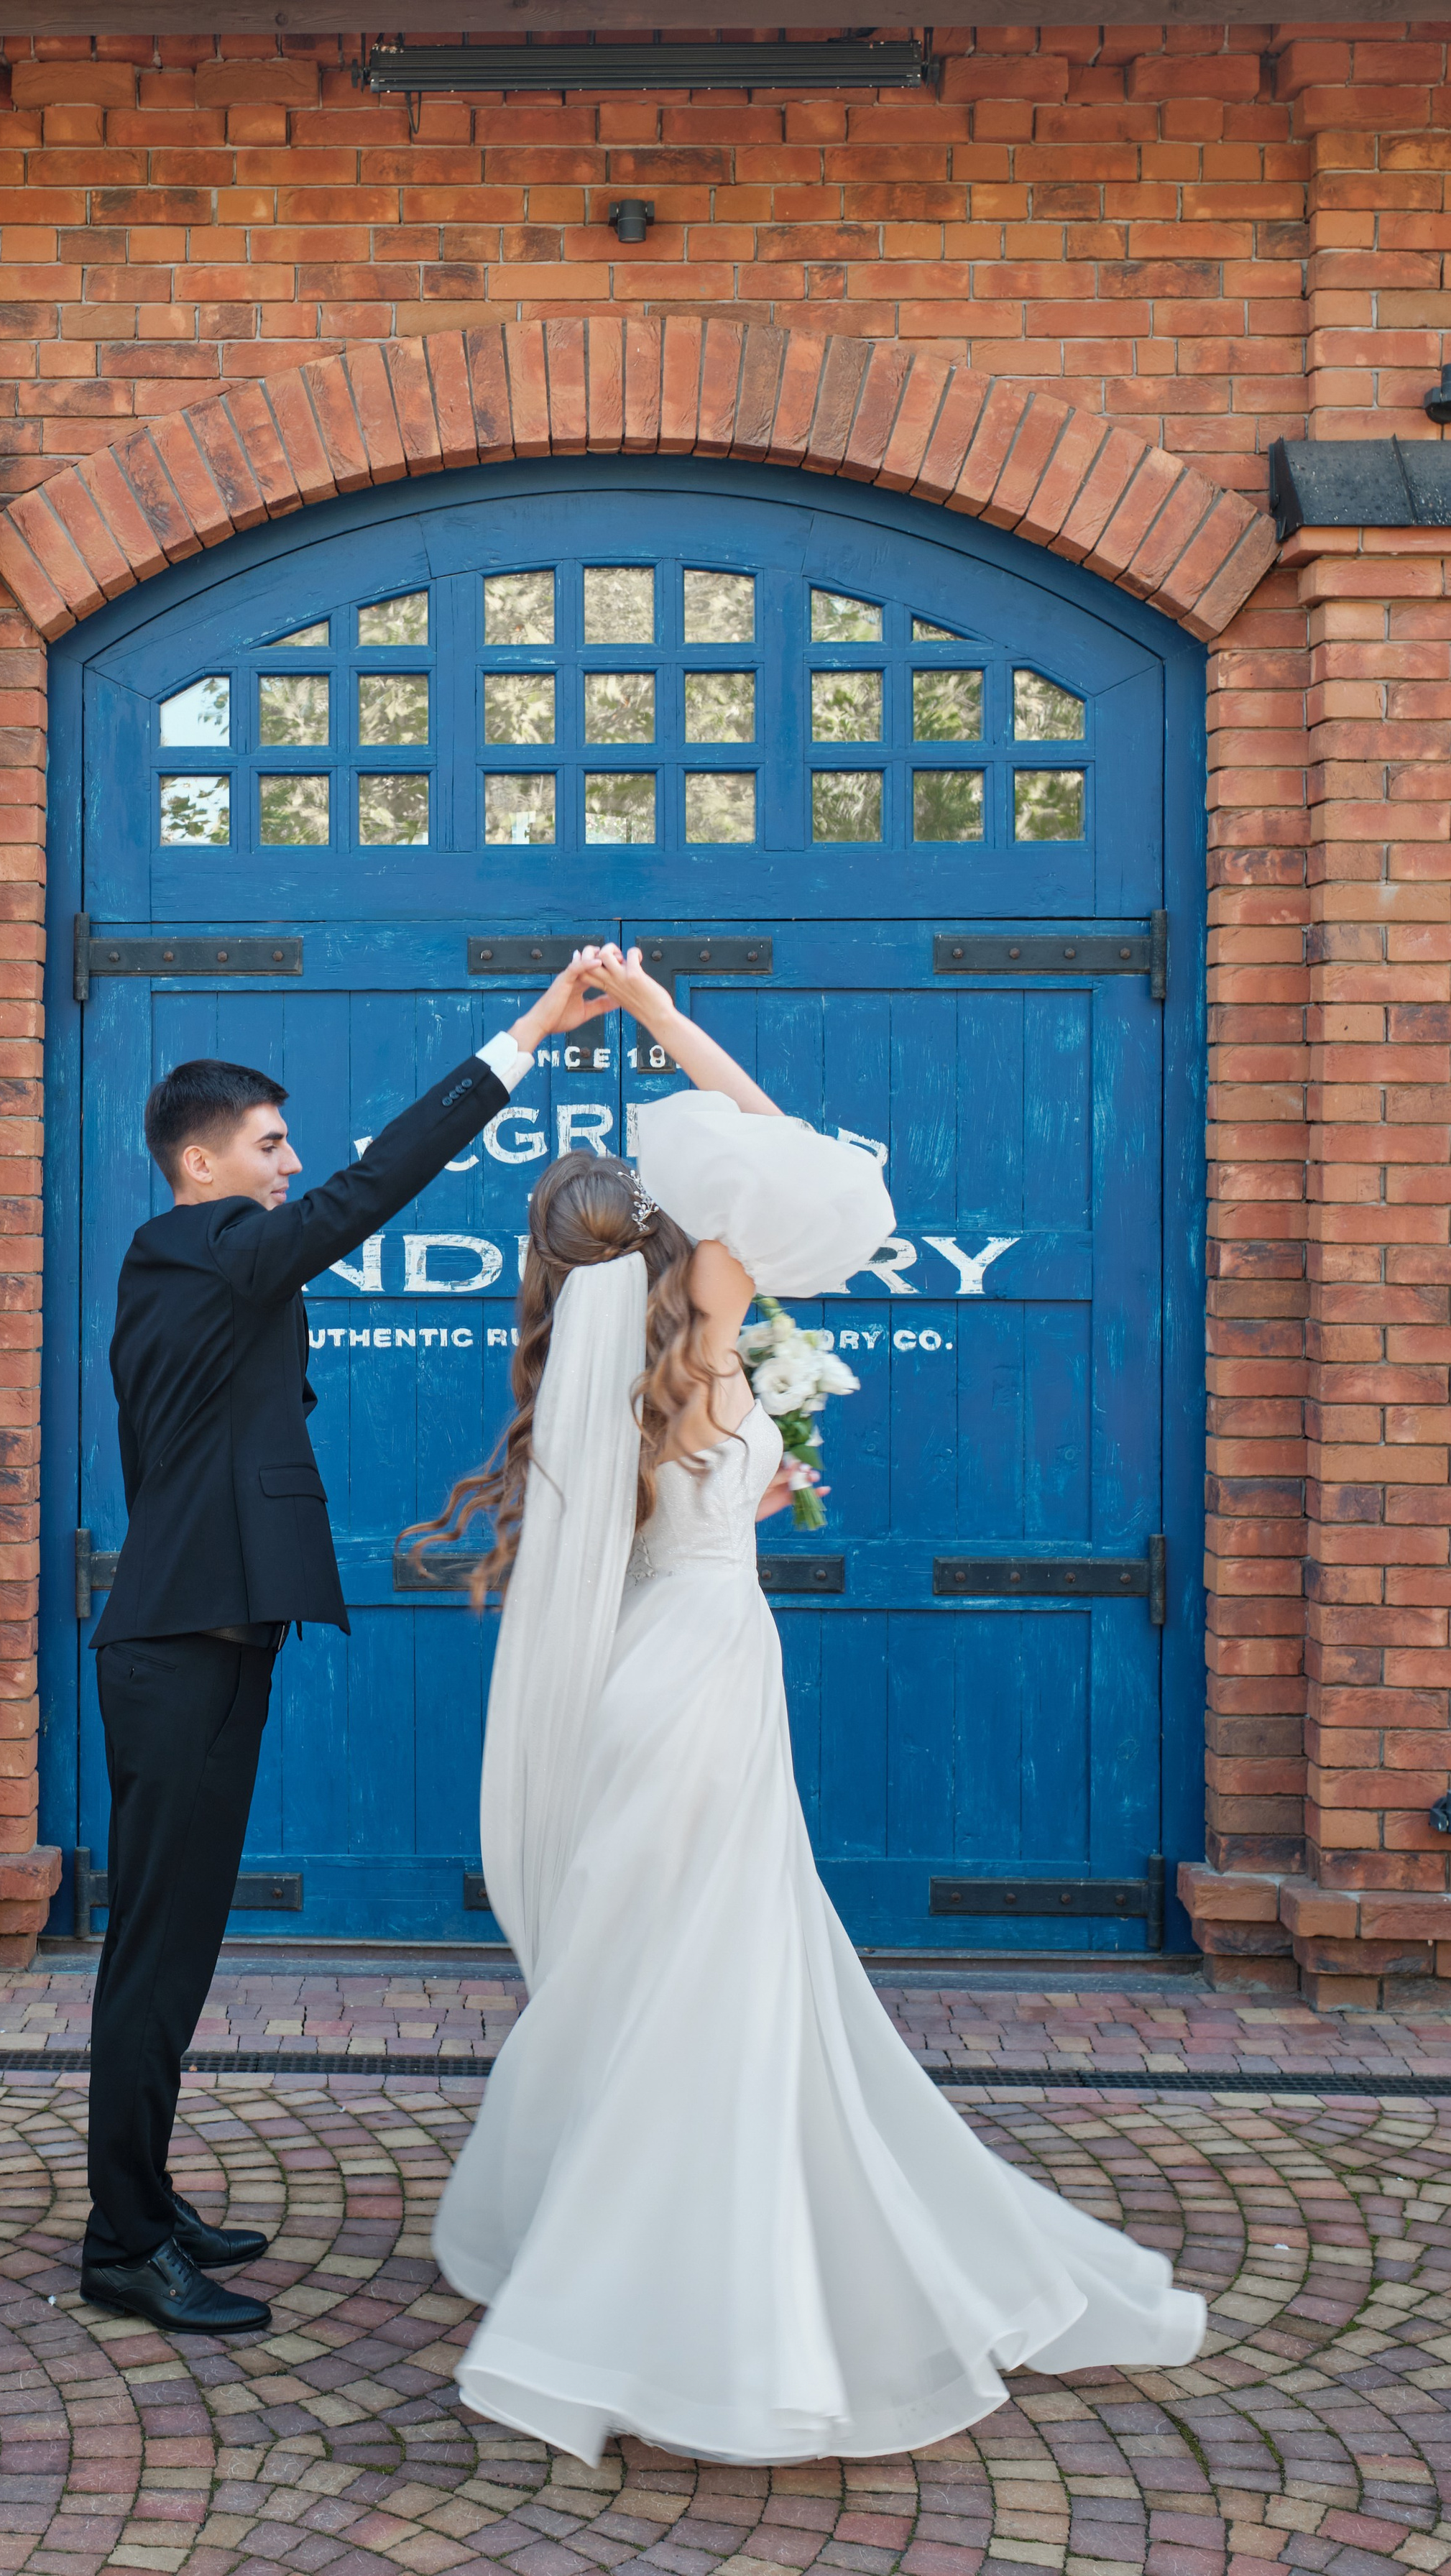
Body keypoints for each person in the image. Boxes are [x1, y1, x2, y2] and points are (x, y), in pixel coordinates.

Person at [418, 942, 1207, 2466]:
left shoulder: (599, 1397)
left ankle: (620, 2234)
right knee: (728, 1958)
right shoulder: (713, 1336)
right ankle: (687, 2272)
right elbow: (789, 1147)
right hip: (714, 1672)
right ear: (670, 1238)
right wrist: (655, 1017)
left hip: (646, 1674)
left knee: (648, 1958)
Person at [81, 952, 612, 2337]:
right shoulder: (192, 1252)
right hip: (177, 1652)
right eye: (268, 1146)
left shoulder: (204, 1271)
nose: (292, 1163)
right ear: (199, 1166)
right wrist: (532, 1034)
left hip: (209, 1638)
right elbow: (371, 1190)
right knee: (156, 1952)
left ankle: (143, 2200)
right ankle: (125, 2245)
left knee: (176, 1946)